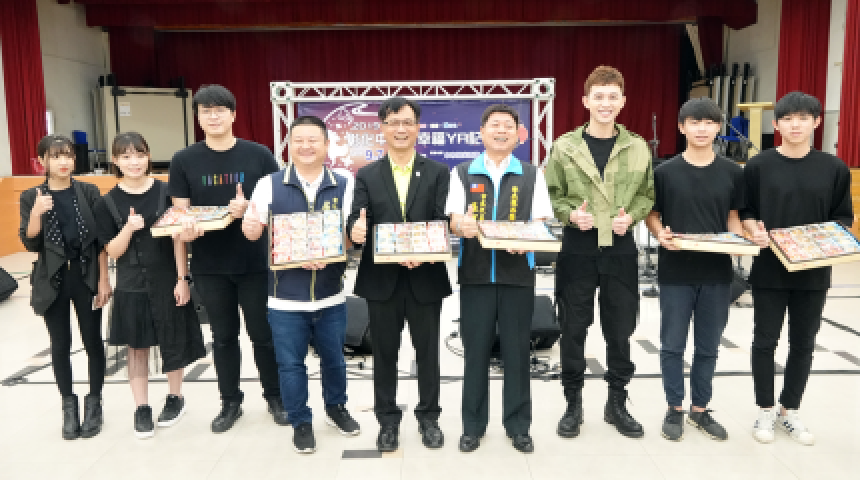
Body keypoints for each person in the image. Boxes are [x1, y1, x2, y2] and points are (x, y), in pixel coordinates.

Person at [167, 85, 287, 433]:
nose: (213, 116)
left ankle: (275, 397)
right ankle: (230, 402)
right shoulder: (183, 160)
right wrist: (186, 231)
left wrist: (250, 208)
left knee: (263, 335)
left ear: (233, 114)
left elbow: (279, 206)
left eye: (220, 110)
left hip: (255, 263)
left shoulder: (259, 155)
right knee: (223, 338)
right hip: (210, 267)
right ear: (198, 117)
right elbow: (180, 215)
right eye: (206, 111)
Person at [545, 65, 654, 439]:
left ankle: (616, 403)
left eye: (612, 97)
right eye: (599, 96)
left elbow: (647, 195)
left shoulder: (637, 147)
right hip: (577, 249)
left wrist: (633, 217)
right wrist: (570, 215)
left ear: (622, 102)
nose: (605, 103)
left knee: (620, 331)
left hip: (620, 250)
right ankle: (572, 405)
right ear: (585, 101)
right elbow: (553, 196)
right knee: (573, 329)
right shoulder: (564, 146)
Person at [243, 116, 361, 454]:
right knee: (291, 365)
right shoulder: (269, 184)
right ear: (289, 146)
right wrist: (250, 228)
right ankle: (301, 422)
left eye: (313, 140)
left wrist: (335, 248)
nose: (306, 146)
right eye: (299, 140)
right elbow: (253, 230)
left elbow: (350, 236)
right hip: (284, 298)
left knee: (334, 360)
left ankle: (336, 408)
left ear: (326, 145)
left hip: (330, 294)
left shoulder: (345, 184)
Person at [742, 92, 853, 446]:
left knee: (803, 343)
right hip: (769, 269)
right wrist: (754, 229)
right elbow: (746, 212)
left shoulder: (834, 168)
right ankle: (764, 408)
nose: (795, 125)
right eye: (788, 118)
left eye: (803, 118)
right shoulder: (758, 166)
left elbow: (843, 219)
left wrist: (827, 240)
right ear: (776, 124)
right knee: (765, 341)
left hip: (813, 272)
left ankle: (789, 410)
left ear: (817, 122)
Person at [346, 97, 452, 452]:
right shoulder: (367, 174)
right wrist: (355, 229)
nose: (401, 129)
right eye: (393, 123)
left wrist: (421, 253)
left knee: (428, 354)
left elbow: (441, 218)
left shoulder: (438, 172)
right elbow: (357, 217)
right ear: (383, 128)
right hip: (382, 280)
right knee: (384, 355)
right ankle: (387, 422)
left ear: (418, 127)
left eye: (407, 122)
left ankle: (429, 418)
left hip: (426, 277)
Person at [447, 104, 554, 453]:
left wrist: (528, 240)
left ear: (518, 134)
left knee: (517, 353)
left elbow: (540, 221)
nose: (501, 131)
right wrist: (461, 225)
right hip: (476, 275)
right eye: (494, 125)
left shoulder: (532, 174)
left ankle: (519, 426)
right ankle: (472, 426)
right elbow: (454, 220)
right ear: (481, 132)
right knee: (475, 352)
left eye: (508, 126)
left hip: (517, 274)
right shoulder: (462, 173)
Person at [94, 132, 207, 439]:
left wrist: (182, 279)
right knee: (136, 348)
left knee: (173, 340)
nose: (134, 162)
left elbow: (178, 240)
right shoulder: (106, 202)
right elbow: (111, 251)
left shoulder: (166, 192)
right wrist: (128, 229)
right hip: (130, 285)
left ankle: (175, 397)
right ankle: (141, 407)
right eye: (126, 156)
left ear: (148, 156)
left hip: (167, 279)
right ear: (115, 161)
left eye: (140, 154)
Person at [645, 98, 744, 442]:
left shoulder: (733, 172)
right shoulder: (664, 172)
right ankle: (674, 407)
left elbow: (733, 216)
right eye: (694, 122)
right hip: (675, 271)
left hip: (717, 273)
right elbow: (652, 215)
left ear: (718, 128)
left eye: (709, 123)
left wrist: (742, 239)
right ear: (681, 127)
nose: (702, 129)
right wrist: (660, 234)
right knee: (672, 345)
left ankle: (700, 409)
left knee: (708, 347)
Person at [19, 134, 112, 440]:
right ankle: (68, 407)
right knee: (60, 344)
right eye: (56, 156)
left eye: (68, 156)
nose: (63, 162)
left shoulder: (88, 191)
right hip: (53, 278)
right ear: (42, 161)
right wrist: (36, 212)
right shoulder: (31, 196)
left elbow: (99, 242)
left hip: (85, 276)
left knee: (92, 341)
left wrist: (103, 280)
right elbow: (31, 242)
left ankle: (94, 404)